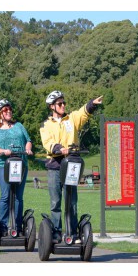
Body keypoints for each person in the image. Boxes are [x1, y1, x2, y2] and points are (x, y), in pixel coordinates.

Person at [40, 90, 103, 244]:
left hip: (71, 165)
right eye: (59, 103)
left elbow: (82, 113)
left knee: (72, 200)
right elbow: (46, 141)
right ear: (52, 107)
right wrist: (57, 148)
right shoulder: (46, 124)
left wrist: (91, 105)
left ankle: (72, 232)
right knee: (55, 201)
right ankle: (55, 232)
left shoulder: (71, 119)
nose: (63, 105)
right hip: (55, 165)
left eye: (64, 103)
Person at [0, 99, 33, 237]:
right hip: (4, 165)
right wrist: (3, 151)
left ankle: (17, 226)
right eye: (5, 110)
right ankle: (2, 226)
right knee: (6, 195)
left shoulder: (19, 125)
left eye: (10, 110)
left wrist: (28, 149)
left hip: (21, 164)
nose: (9, 112)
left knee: (18, 197)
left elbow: (28, 140)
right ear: (0, 114)